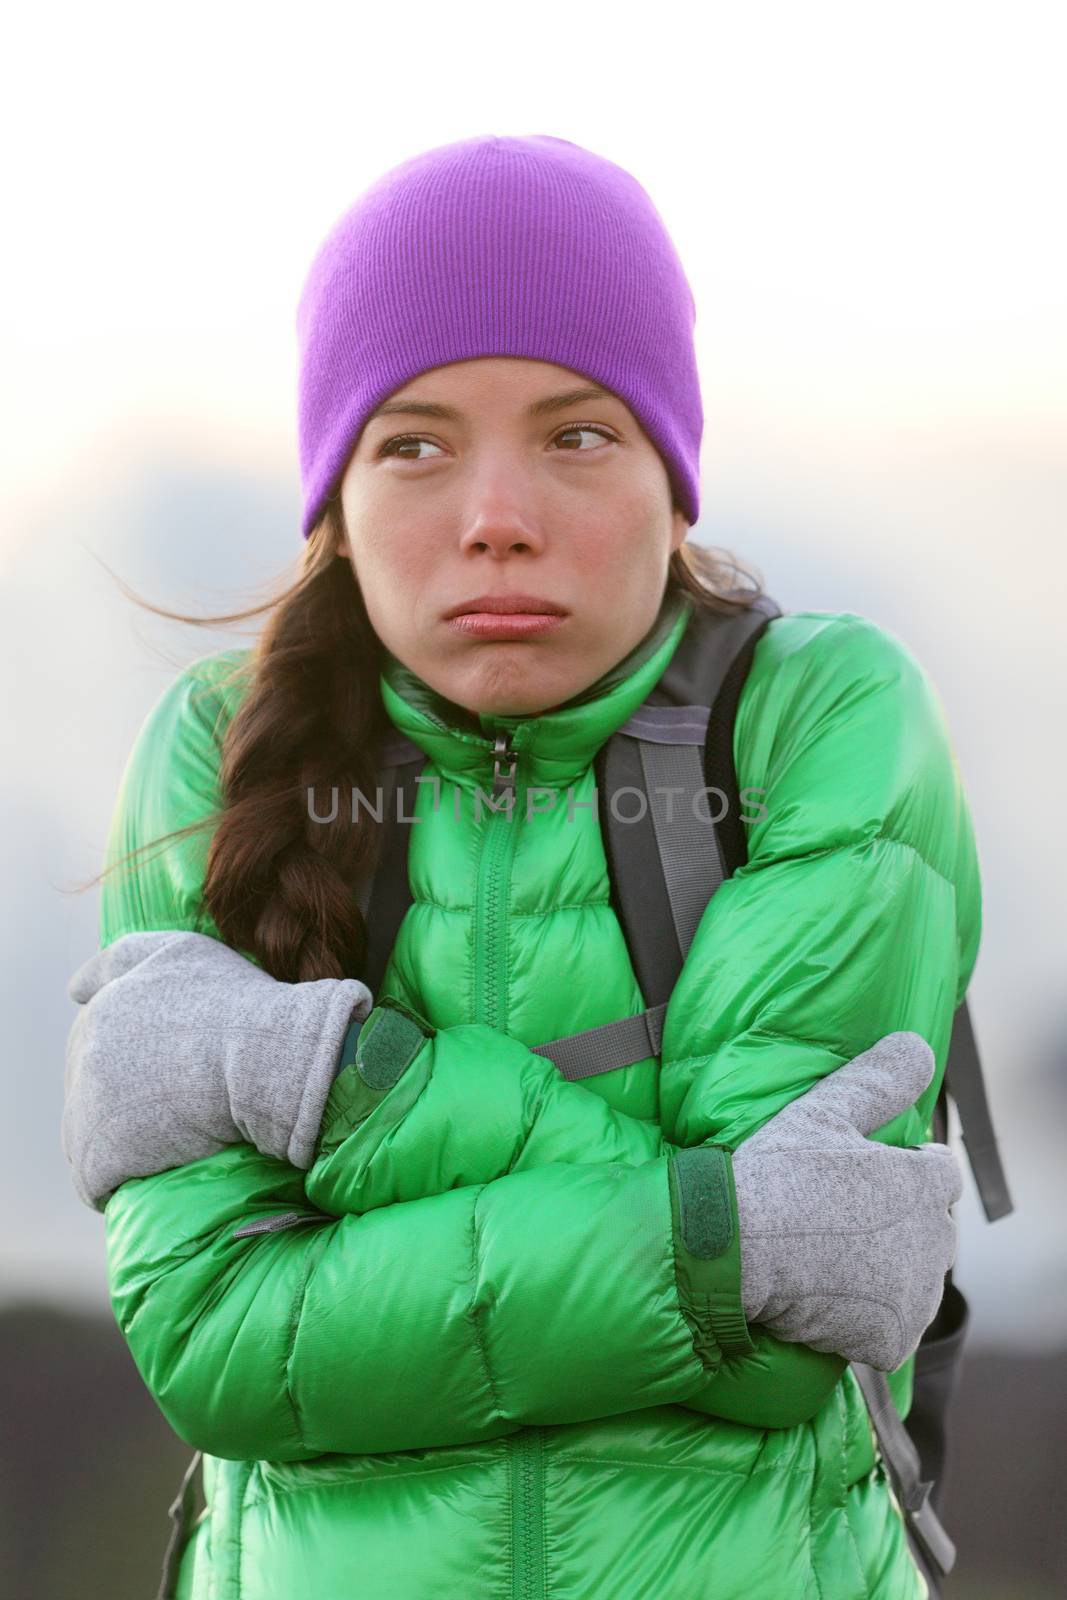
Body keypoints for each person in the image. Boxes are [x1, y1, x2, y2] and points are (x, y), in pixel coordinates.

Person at [62, 134, 979, 1599]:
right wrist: (712, 1233)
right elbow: (217, 1345)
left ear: (674, 486)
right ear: (337, 503)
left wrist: (337, 1083)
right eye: (413, 442)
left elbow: (784, 1356)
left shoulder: (822, 716)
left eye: (577, 435)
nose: (498, 514)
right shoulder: (214, 760)